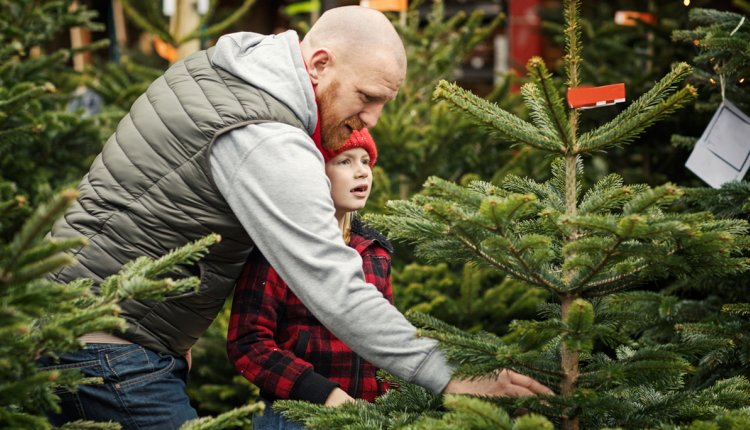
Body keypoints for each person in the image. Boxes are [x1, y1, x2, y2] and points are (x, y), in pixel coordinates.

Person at [40, 5, 552, 429]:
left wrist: (169, 336)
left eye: (383, 103)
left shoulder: (218, 71)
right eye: (367, 97)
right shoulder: (266, 133)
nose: (372, 120)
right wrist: (449, 374)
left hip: (91, 332)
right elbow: (330, 279)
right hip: (108, 352)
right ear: (319, 63)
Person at [229, 129, 390, 429]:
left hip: (365, 417)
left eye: (366, 161)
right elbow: (248, 341)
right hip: (295, 417)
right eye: (345, 162)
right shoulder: (279, 245)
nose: (361, 172)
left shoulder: (375, 252)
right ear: (314, 172)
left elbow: (384, 338)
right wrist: (323, 393)